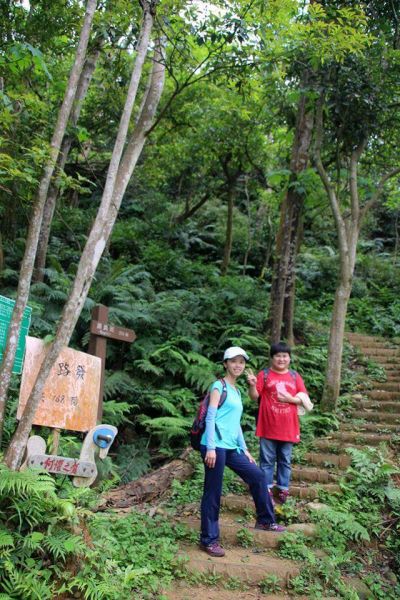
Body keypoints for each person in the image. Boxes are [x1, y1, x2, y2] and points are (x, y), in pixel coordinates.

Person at [199, 346, 285, 558]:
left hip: (231, 446)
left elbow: (234, 423)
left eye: (241, 362)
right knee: (213, 490)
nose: (238, 365)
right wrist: (210, 447)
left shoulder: (236, 391)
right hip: (214, 445)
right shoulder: (219, 386)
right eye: (233, 361)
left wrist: (244, 449)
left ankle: (265, 520)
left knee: (257, 476)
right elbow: (210, 418)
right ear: (225, 363)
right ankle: (208, 540)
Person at [246, 341, 310, 505]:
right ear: (272, 357)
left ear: (289, 358)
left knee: (285, 460)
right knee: (266, 460)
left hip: (289, 426)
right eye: (278, 356)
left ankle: (282, 489)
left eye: (285, 356)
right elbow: (254, 397)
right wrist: (252, 385)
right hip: (268, 425)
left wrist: (290, 399)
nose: (281, 359)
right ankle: (266, 489)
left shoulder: (294, 376)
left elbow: (304, 398)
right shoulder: (264, 374)